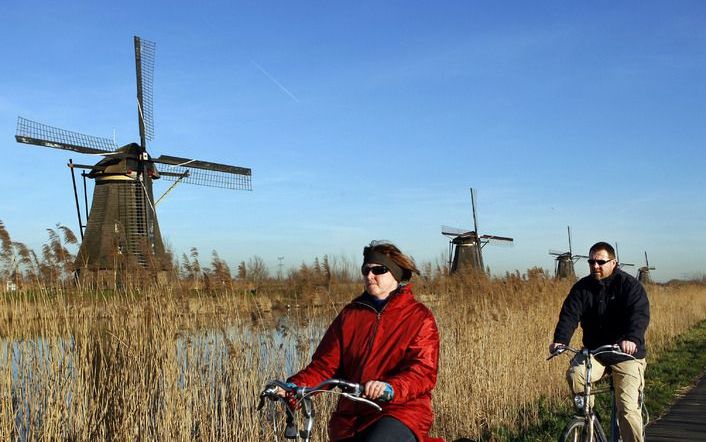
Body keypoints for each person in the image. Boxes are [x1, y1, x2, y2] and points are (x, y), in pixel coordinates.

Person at [283, 240, 442, 442]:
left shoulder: (418, 316)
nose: (370, 276)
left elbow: (423, 371)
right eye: (365, 270)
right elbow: (325, 366)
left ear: (395, 274)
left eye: (379, 270)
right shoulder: (350, 314)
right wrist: (294, 387)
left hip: (399, 411)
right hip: (351, 418)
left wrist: (390, 388)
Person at [549, 241, 650, 442]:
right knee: (575, 374)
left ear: (614, 263)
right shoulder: (582, 288)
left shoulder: (630, 286)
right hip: (596, 353)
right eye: (591, 262)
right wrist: (560, 340)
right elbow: (569, 315)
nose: (595, 266)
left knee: (628, 410)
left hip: (626, 354)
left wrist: (632, 338)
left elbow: (639, 315)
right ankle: (587, 420)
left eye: (601, 262)